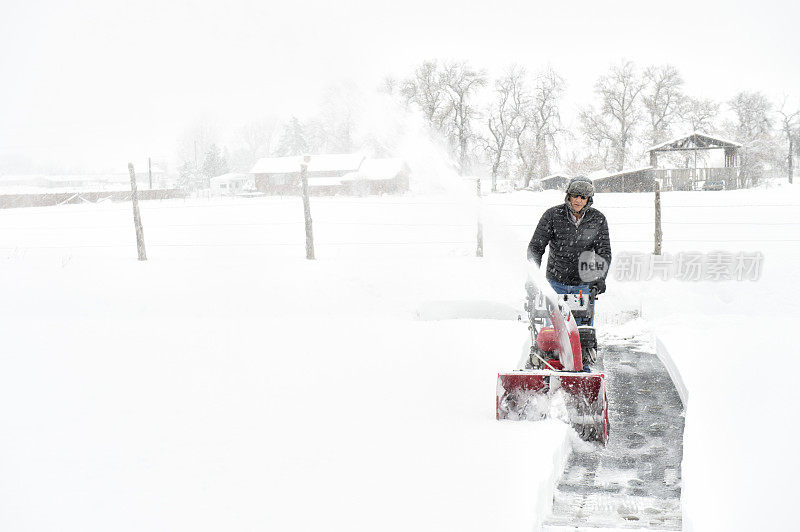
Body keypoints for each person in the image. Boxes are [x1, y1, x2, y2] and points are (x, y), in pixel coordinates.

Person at [527, 177, 612, 323]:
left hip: (584, 285)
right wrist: (533, 278)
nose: (578, 200)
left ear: (588, 199)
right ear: (568, 196)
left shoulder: (598, 219)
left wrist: (599, 277)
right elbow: (536, 247)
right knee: (555, 330)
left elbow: (603, 252)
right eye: (575, 195)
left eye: (583, 197)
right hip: (556, 282)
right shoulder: (552, 215)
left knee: (581, 334)